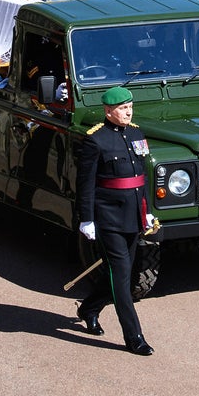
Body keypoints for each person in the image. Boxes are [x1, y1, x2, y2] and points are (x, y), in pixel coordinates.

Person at [75, 86, 155, 356]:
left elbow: (141, 177)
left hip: (133, 215)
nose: (128, 111)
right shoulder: (95, 140)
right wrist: (87, 219)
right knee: (121, 278)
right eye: (122, 108)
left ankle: (89, 308)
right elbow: (85, 184)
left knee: (123, 274)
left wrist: (148, 210)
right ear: (108, 111)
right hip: (108, 218)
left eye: (130, 106)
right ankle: (134, 337)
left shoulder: (135, 132)